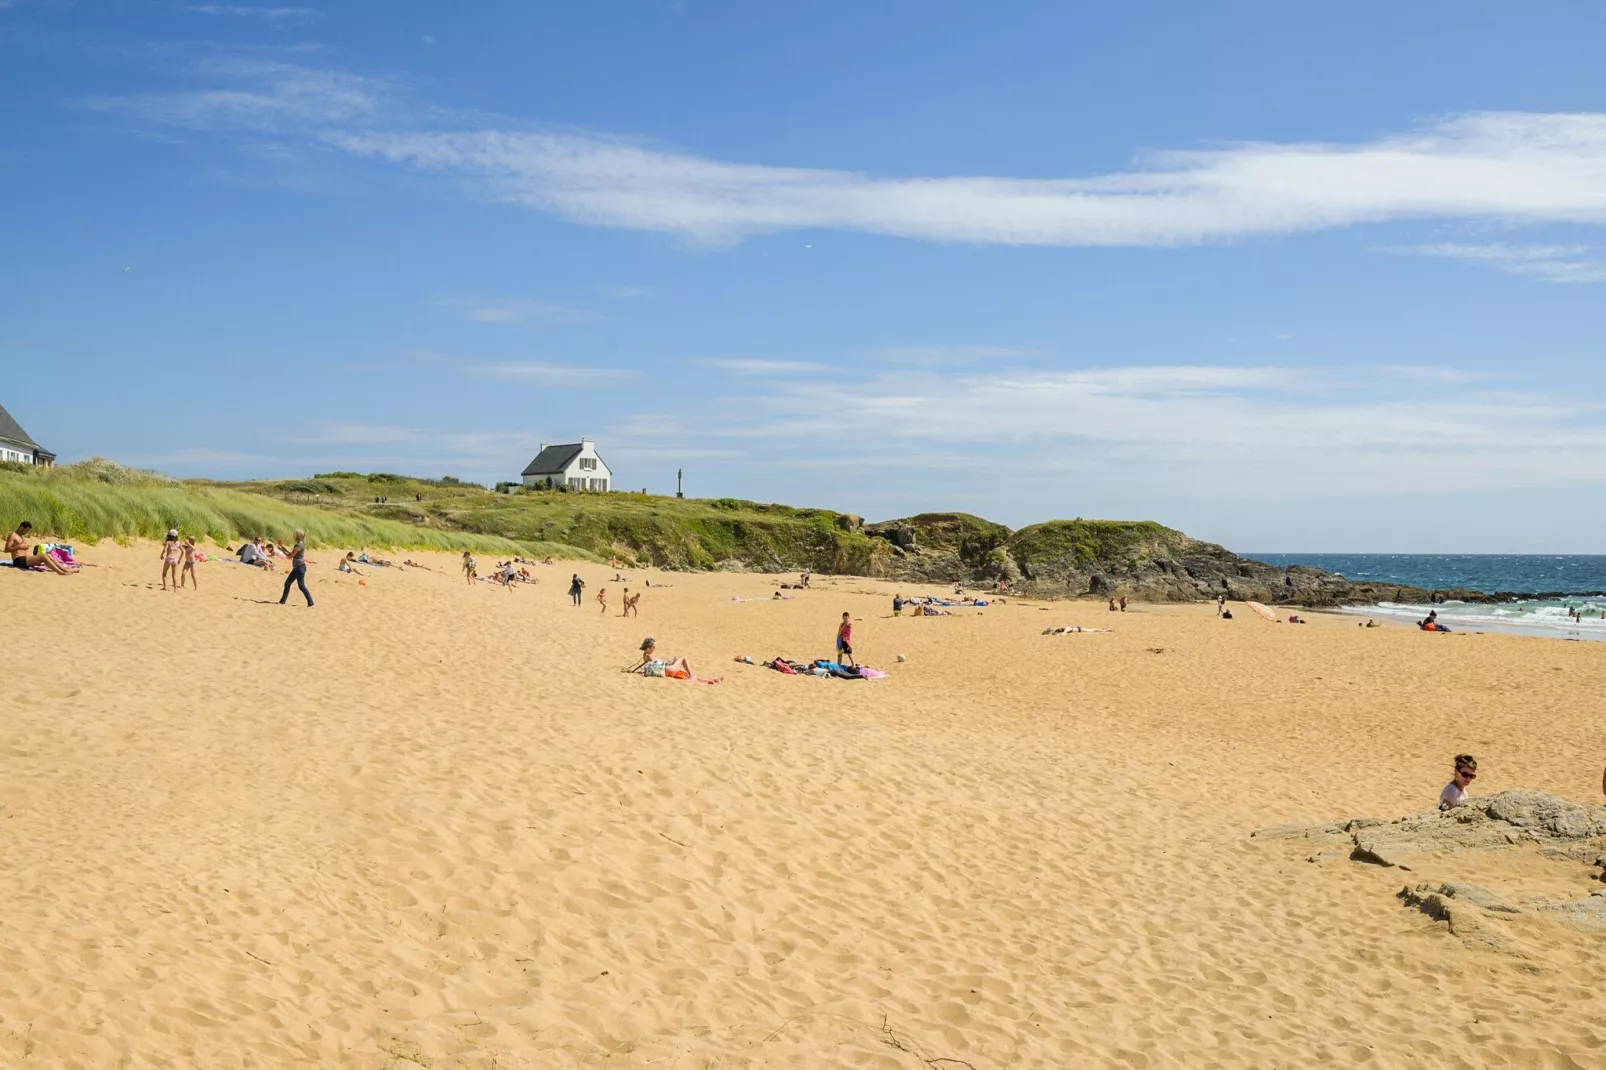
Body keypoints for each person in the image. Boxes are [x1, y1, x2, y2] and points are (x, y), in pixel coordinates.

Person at [5, 521, 73, 575]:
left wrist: (24, 548)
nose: (27, 532)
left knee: (48, 555)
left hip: (25, 559)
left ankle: (64, 569)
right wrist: (19, 547)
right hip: (18, 560)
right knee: (43, 556)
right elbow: (6, 549)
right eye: (26, 530)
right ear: (21, 527)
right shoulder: (13, 535)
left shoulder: (22, 536)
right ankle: (60, 572)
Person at [278, 529, 313, 607]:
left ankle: (311, 603)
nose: (293, 535)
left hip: (299, 568)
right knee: (288, 583)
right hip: (298, 567)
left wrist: (282, 549)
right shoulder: (300, 544)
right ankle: (282, 601)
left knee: (301, 586)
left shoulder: (299, 545)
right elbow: (290, 553)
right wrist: (282, 547)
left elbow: (290, 556)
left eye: (295, 534)